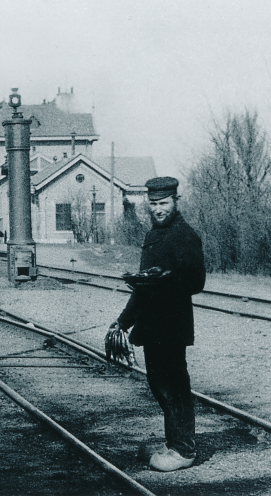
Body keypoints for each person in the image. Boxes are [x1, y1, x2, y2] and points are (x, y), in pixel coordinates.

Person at [110, 176, 205, 472]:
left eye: (163, 203)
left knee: (175, 387)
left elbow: (196, 281)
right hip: (152, 326)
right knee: (159, 385)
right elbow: (142, 289)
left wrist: (165, 279)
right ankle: (173, 441)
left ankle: (184, 449)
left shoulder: (184, 235)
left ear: (176, 202)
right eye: (153, 204)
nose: (158, 209)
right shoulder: (153, 235)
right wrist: (122, 322)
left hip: (172, 325)